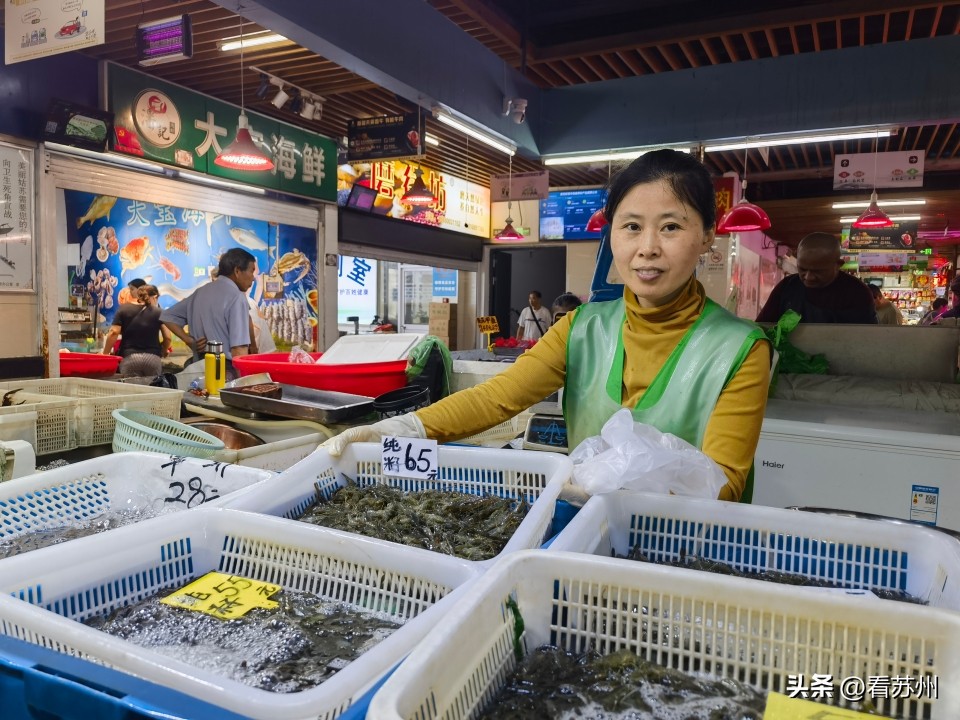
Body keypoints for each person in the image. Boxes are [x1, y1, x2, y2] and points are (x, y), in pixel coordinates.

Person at [323, 149, 772, 502]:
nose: (647, 248)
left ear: (708, 235)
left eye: (671, 227)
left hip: (690, 560)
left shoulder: (740, 349)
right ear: (612, 233)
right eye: (631, 227)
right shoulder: (582, 327)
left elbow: (723, 483)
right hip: (589, 544)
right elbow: (498, 398)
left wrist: (612, 488)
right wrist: (405, 428)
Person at [160, 248, 259, 362]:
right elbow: (239, 350)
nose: (253, 278)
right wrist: (244, 379)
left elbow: (167, 317)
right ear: (237, 271)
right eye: (251, 271)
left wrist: (188, 340)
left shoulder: (200, 292)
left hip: (199, 367)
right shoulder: (236, 297)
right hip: (224, 370)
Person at [756, 233, 877, 324]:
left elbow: (866, 338)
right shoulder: (786, 287)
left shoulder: (857, 293)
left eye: (818, 271)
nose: (808, 277)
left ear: (838, 265)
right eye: (802, 269)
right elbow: (762, 326)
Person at [101, 284, 172, 377]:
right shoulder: (159, 312)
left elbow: (114, 332)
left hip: (130, 358)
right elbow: (167, 337)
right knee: (153, 389)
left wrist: (106, 354)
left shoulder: (123, 309)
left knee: (132, 390)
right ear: (154, 297)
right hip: (153, 359)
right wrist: (164, 350)